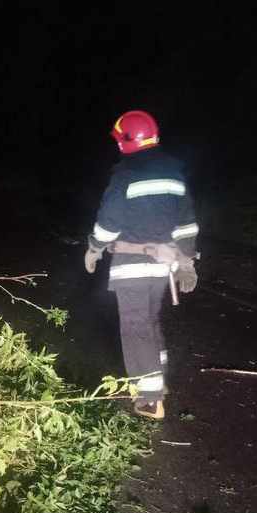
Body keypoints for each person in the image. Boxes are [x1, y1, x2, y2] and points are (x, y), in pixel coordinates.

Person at [84, 110, 199, 419]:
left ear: (125, 141)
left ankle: (150, 399)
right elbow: (186, 223)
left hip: (131, 264)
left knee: (135, 328)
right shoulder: (174, 173)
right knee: (150, 321)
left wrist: (94, 248)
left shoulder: (126, 175)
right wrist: (186, 261)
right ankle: (157, 380)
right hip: (163, 266)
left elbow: (108, 223)